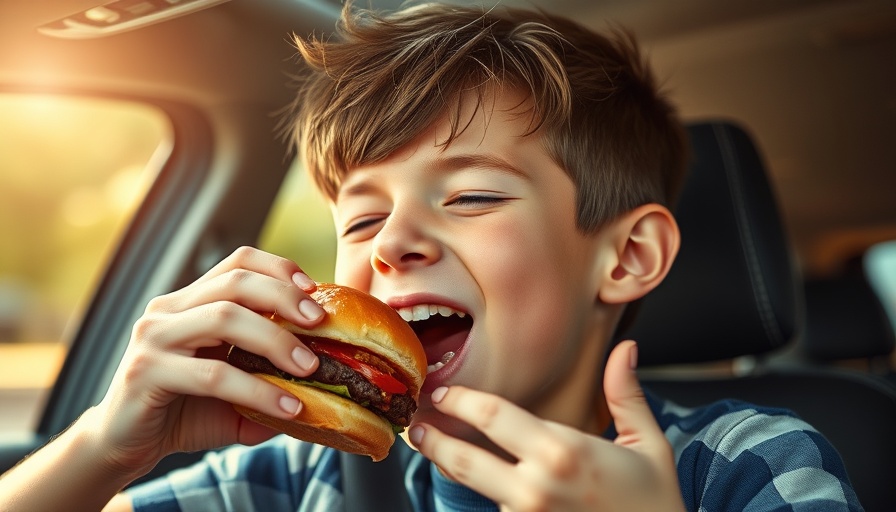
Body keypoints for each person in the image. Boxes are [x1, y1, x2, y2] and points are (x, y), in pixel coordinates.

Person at [0, 3, 862, 511]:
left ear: (627, 256)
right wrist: (102, 449)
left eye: (473, 197)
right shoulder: (310, 474)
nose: (395, 242)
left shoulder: (749, 462)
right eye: (362, 218)